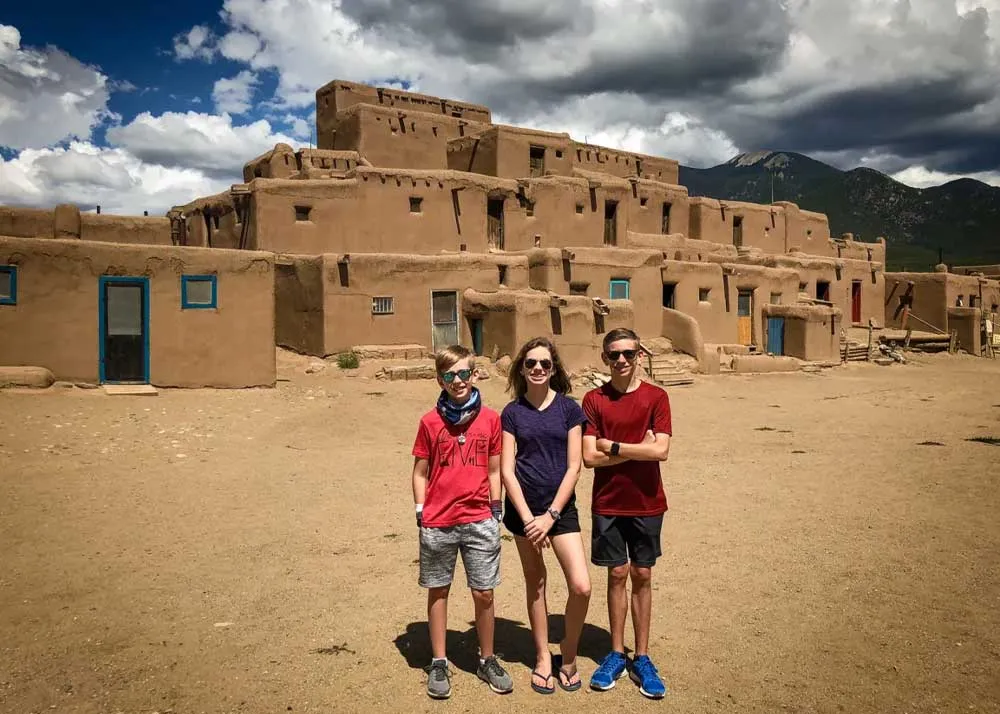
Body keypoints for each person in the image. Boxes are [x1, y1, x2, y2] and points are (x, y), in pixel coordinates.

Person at [411, 345, 514, 700]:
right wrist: (421, 511)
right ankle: (439, 660)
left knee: (484, 591)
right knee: (439, 589)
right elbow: (420, 470)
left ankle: (487, 658)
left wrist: (495, 506)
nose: (458, 381)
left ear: (475, 374)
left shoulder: (490, 420)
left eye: (464, 373)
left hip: (479, 517)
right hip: (439, 521)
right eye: (450, 375)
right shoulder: (429, 422)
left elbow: (495, 467)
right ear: (440, 378)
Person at [581, 328, 672, 699]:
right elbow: (589, 458)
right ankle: (617, 653)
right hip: (608, 501)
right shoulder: (593, 400)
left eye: (628, 354)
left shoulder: (657, 397)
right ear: (605, 358)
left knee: (642, 573)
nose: (621, 360)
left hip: (647, 501)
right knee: (617, 573)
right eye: (614, 354)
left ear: (639, 355)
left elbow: (662, 451)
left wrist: (613, 445)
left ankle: (643, 656)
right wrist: (640, 447)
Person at [499, 337, 592, 695]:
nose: (538, 369)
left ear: (554, 368)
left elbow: (574, 466)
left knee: (581, 586)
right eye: (531, 364)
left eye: (545, 364)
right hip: (524, 510)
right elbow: (507, 470)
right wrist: (528, 519)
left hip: (560, 509)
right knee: (535, 582)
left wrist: (550, 516)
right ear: (521, 369)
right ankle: (541, 657)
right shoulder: (512, 412)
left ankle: (567, 654)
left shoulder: (569, 409)